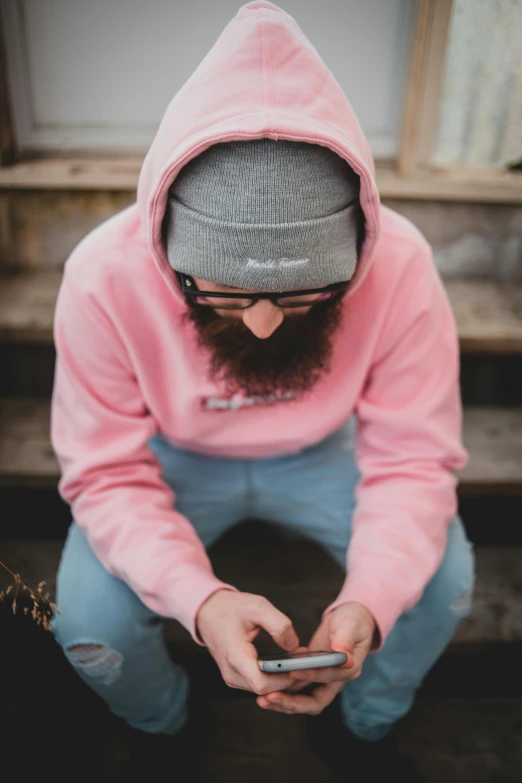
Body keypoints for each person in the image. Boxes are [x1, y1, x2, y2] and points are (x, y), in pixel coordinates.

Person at [50, 1, 474, 780]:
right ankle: (165, 730)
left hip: (325, 453)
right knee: (88, 624)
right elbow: (103, 470)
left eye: (311, 293)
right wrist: (201, 602)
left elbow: (414, 456)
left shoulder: (403, 264)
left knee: (442, 584)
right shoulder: (102, 275)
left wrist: (371, 603)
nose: (268, 324)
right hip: (167, 458)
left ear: (359, 247)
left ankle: (365, 727)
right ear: (166, 248)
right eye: (222, 293)